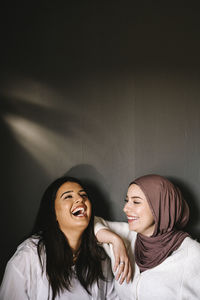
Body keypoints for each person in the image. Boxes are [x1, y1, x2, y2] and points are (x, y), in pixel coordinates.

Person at [0, 176, 119, 300]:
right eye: (68, 196)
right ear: (53, 213)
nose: (80, 199)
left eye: (83, 195)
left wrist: (116, 240)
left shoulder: (99, 257)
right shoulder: (28, 256)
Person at [94, 174, 200, 300]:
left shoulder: (192, 255)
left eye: (136, 202)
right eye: (127, 200)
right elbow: (85, 223)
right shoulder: (126, 236)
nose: (125, 208)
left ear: (160, 206)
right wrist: (115, 241)